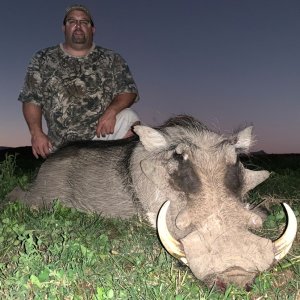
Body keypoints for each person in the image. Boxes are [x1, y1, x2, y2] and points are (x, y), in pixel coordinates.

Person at [18, 4, 140, 159]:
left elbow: (128, 91)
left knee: (129, 118)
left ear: (92, 29)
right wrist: (36, 133)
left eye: (84, 22)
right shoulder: (42, 58)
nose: (78, 26)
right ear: (64, 28)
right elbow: (30, 99)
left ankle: (118, 171)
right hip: (60, 146)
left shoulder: (112, 59)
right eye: (72, 21)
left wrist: (112, 111)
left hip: (101, 139)